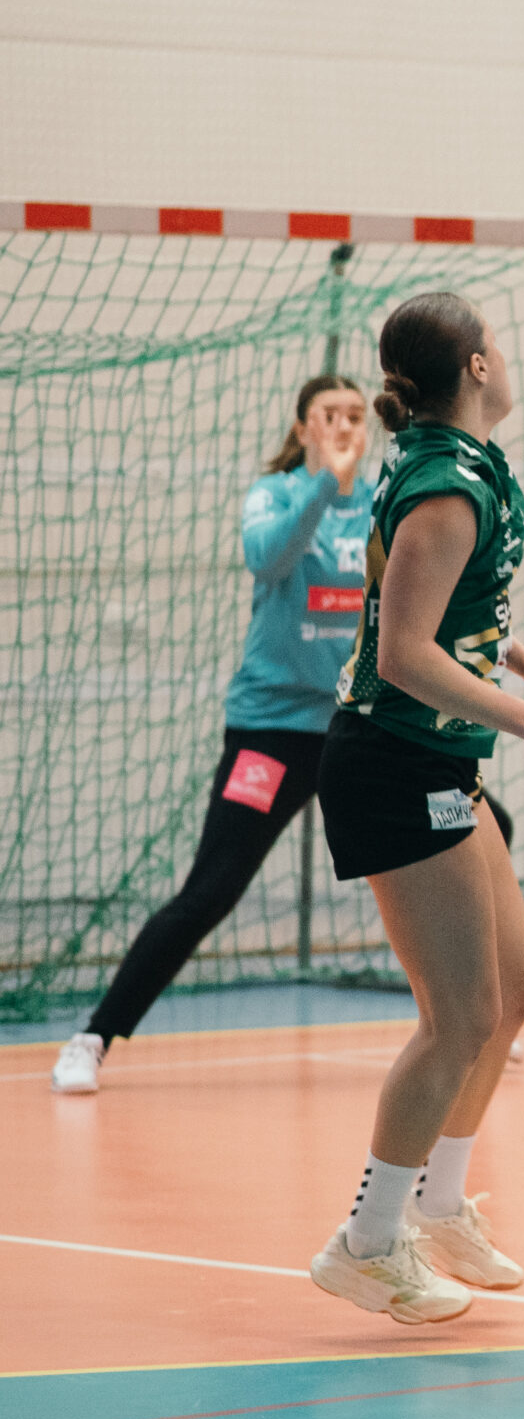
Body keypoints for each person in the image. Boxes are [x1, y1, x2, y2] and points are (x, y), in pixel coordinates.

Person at [306, 292, 524, 1324]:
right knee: (459, 1018)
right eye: (496, 341)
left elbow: (444, 602)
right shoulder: (443, 485)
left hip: (437, 758)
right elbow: (403, 650)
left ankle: (438, 1206)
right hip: (393, 762)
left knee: (514, 985)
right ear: (477, 365)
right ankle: (366, 1241)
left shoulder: (462, 462)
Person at [50, 377, 372, 1092]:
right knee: (211, 889)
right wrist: (325, 484)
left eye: (356, 415)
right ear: (303, 427)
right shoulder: (276, 494)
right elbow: (269, 559)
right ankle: (92, 1038)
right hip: (273, 730)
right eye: (329, 415)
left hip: (354, 727)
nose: (345, 426)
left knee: (471, 833)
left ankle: (473, 1019)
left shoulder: (383, 503)